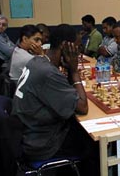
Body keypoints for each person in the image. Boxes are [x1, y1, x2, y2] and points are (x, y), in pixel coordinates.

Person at [11, 24, 100, 175]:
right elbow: (83, 107)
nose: (78, 53)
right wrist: (73, 71)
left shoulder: (37, 61)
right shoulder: (48, 73)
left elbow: (66, 92)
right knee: (94, 143)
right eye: (76, 48)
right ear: (66, 46)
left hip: (31, 132)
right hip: (43, 144)